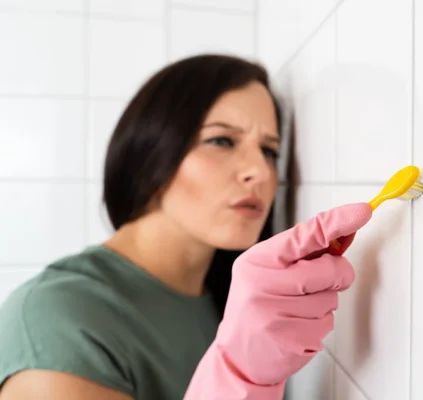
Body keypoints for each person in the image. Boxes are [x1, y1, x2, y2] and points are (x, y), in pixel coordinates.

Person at [0, 54, 372, 399]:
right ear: (150, 152)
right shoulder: (55, 319)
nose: (258, 172)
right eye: (221, 140)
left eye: (269, 151)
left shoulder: (225, 298)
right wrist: (243, 375)